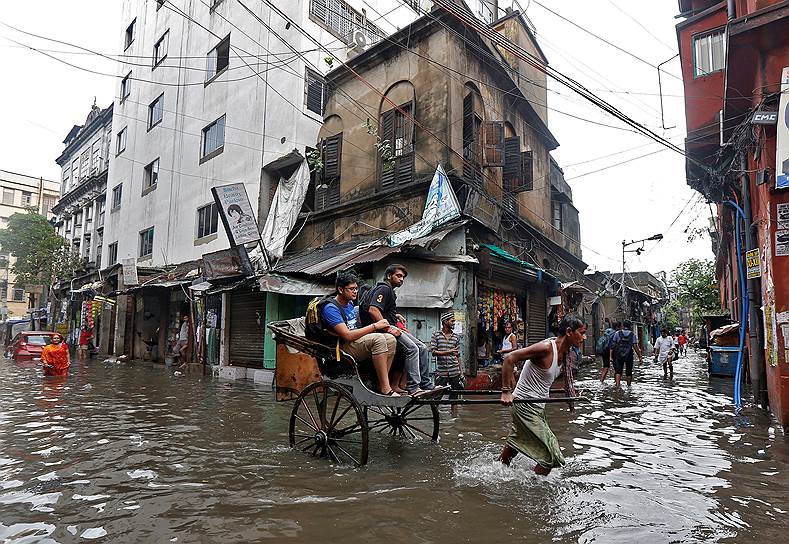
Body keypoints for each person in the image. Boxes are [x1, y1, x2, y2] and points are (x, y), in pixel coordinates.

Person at [499, 314, 587, 475]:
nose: (584, 337)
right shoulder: (546, 348)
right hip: (523, 405)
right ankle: (532, 491)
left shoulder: (565, 354)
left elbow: (543, 382)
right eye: (581, 332)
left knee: (517, 442)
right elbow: (510, 358)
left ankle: (497, 471)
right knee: (551, 455)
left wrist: (569, 392)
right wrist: (506, 391)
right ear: (569, 332)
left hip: (537, 407)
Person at [360, 264, 434, 395]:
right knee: (412, 349)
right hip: (382, 331)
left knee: (422, 348)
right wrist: (388, 328)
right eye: (398, 276)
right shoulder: (384, 288)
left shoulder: (389, 291)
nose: (401, 280)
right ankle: (413, 387)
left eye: (403, 277)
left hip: (391, 326)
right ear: (389, 276)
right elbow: (373, 310)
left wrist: (396, 316)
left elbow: (382, 309)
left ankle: (426, 384)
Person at [321, 272, 397, 395]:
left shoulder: (350, 304)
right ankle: (386, 388)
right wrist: (374, 326)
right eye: (351, 289)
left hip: (354, 342)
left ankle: (381, 383)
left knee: (390, 339)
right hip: (341, 347)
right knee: (378, 339)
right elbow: (347, 335)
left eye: (356, 288)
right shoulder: (331, 308)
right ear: (340, 289)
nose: (355, 292)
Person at [430, 312, 464, 399]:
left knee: (454, 399)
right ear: (445, 321)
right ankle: (436, 413)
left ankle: (454, 413)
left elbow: (458, 356)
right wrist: (448, 352)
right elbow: (433, 352)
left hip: (454, 371)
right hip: (442, 372)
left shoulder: (456, 337)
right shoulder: (436, 335)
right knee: (436, 398)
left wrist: (461, 373)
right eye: (452, 321)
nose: (454, 323)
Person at [609, 320, 642, 387]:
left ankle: (618, 385)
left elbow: (612, 346)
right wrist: (640, 357)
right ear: (630, 326)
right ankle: (629, 386)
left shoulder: (617, 333)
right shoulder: (632, 334)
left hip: (618, 355)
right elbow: (635, 346)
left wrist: (610, 356)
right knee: (629, 371)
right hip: (629, 355)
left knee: (618, 370)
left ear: (623, 326)